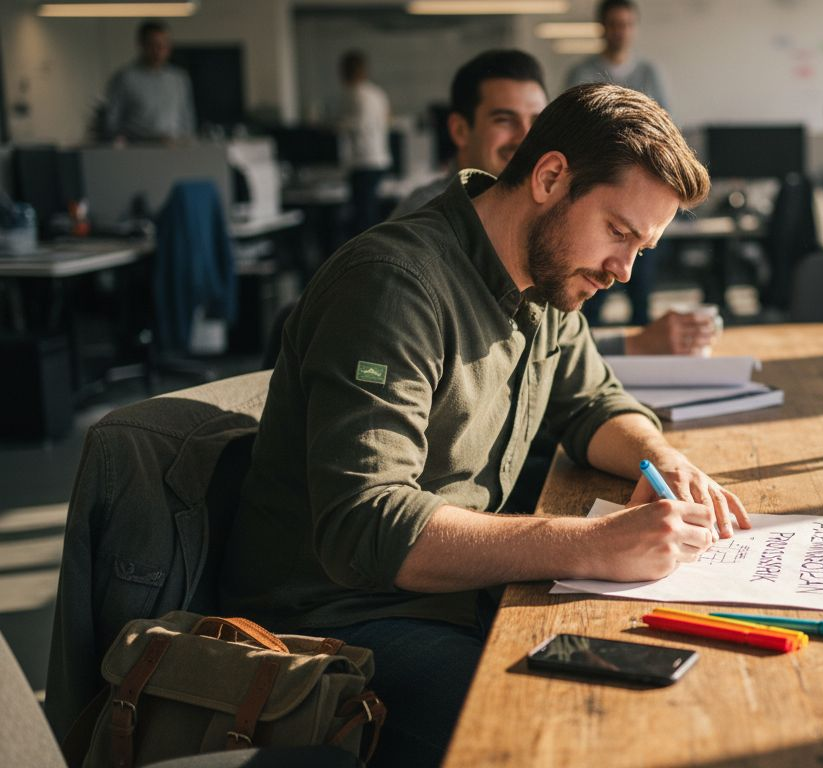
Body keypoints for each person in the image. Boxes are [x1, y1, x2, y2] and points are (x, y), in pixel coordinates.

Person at [221, 84, 748, 768]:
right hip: (339, 629)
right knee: (563, 738)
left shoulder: (552, 277)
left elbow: (592, 404)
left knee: (676, 693)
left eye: (640, 251)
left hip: (460, 599)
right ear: (550, 177)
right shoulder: (392, 285)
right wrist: (592, 544)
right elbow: (367, 526)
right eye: (619, 233)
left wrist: (662, 459)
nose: (622, 271)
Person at [394, 49, 718, 357]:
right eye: (505, 120)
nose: (525, 137)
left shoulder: (544, 245)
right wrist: (636, 344)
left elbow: (571, 372)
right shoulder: (424, 242)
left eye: (536, 120)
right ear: (460, 130)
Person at [567, 0, 668, 327]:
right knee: (592, 293)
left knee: (641, 291)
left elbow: (665, 131)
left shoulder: (649, 73)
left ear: (633, 28)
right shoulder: (581, 74)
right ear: (602, 28)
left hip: (642, 199)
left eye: (626, 24)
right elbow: (574, 130)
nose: (620, 31)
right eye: (614, 24)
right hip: (599, 194)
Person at [100, 21, 195, 142]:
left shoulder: (179, 78)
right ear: (142, 45)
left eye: (164, 44)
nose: (159, 50)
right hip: (137, 150)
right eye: (153, 45)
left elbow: (187, 120)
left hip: (173, 149)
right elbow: (111, 122)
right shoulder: (125, 78)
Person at [338, 50, 392, 239]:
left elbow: (356, 125)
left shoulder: (356, 94)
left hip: (363, 161)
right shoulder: (377, 93)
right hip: (378, 159)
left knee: (363, 219)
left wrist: (332, 125)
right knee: (368, 213)